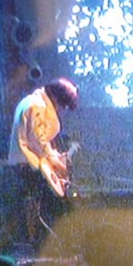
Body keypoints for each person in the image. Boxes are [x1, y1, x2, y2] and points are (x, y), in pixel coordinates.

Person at [7, 77, 79, 248]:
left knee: (45, 207)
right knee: (52, 206)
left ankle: (47, 243)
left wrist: (54, 156)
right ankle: (51, 245)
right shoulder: (36, 105)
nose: (63, 110)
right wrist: (55, 161)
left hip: (29, 164)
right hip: (29, 165)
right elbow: (38, 139)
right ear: (56, 98)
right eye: (64, 105)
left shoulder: (32, 102)